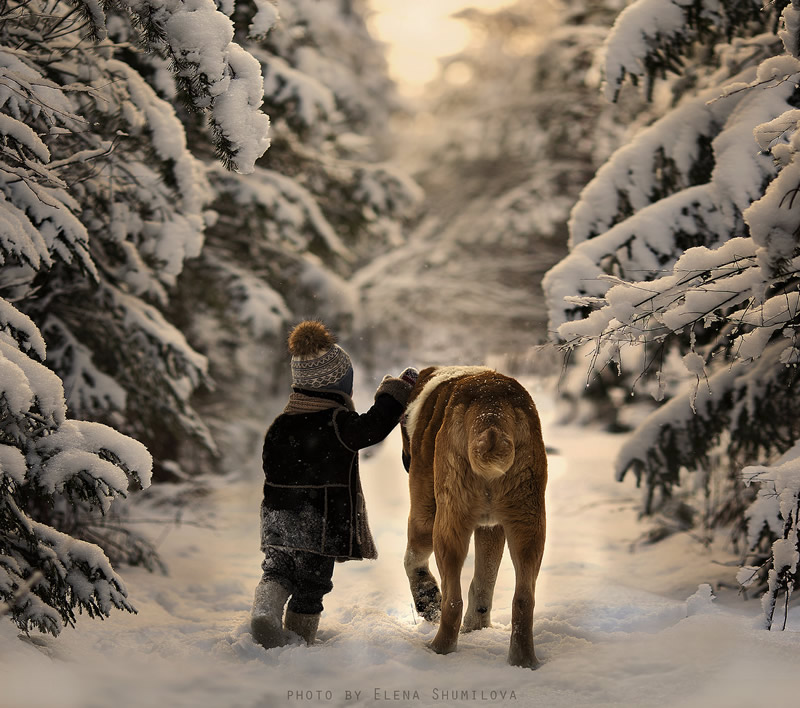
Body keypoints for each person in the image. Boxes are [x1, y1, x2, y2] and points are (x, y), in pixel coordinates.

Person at [251, 320, 418, 649]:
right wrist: (395, 393)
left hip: (276, 519)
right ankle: (300, 639)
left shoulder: (280, 424)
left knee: (277, 568)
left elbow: (270, 467)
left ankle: (264, 609)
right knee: (312, 584)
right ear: (339, 385)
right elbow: (374, 427)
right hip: (319, 522)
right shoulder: (337, 422)